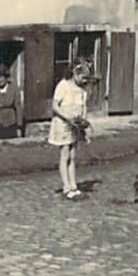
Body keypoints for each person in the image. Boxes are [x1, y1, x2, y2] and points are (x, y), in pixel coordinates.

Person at [48, 58, 92, 199]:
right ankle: (66, 187)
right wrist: (68, 118)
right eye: (82, 77)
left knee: (73, 156)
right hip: (63, 124)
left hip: (76, 126)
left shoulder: (82, 90)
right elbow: (55, 106)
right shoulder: (63, 86)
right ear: (74, 73)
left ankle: (74, 185)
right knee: (65, 155)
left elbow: (83, 107)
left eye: (87, 78)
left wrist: (84, 125)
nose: (85, 81)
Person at [0, 63, 24, 140]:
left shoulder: (13, 88)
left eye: (1, 77)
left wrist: (19, 126)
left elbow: (18, 107)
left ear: (6, 77)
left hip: (9, 125)